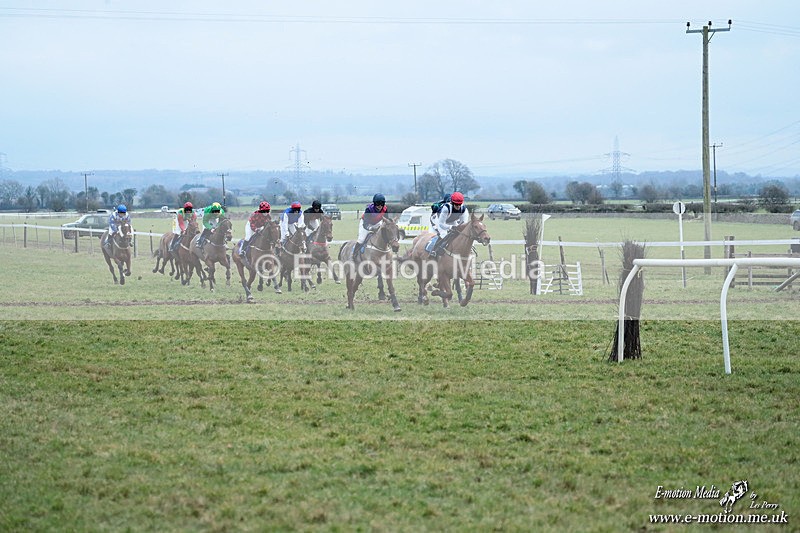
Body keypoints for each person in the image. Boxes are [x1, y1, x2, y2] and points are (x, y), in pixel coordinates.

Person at [428, 191, 468, 257]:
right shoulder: (446, 208)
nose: (458, 206)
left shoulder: (464, 210)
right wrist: (450, 227)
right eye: (456, 204)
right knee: (444, 235)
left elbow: (463, 224)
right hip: (437, 220)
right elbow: (441, 224)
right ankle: (434, 251)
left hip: (451, 221)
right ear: (452, 203)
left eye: (460, 204)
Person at [353, 193, 387, 261]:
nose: (380, 206)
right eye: (378, 203)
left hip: (377, 223)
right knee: (361, 239)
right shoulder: (369, 209)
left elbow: (386, 220)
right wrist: (370, 228)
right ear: (374, 203)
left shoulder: (385, 209)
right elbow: (365, 223)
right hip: (365, 223)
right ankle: (354, 254)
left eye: (382, 203)